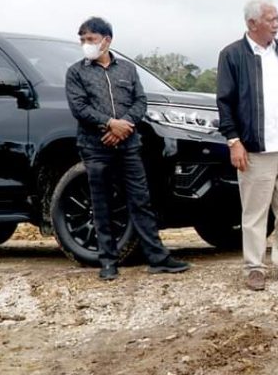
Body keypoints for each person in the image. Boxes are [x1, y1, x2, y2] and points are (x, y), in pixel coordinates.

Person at [65, 17, 190, 281]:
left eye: (90, 39)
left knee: (140, 200)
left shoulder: (128, 69)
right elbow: (80, 108)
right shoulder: (76, 72)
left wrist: (125, 125)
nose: (86, 44)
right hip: (95, 147)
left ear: (106, 40)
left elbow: (140, 101)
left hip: (129, 145)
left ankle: (158, 257)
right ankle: (108, 261)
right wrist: (110, 124)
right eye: (83, 40)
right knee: (102, 203)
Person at [216, 0, 278, 290]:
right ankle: (254, 267)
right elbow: (225, 101)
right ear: (252, 23)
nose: (277, 25)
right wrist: (234, 140)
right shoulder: (232, 55)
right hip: (256, 147)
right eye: (271, 19)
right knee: (255, 211)